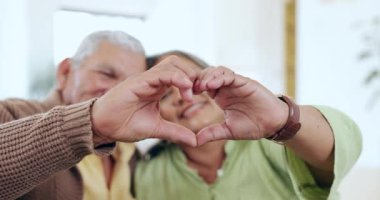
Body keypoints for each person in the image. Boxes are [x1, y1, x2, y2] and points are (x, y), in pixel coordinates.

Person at [134, 50, 362, 200]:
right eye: (164, 96)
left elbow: (337, 152)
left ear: (215, 79)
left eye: (191, 81)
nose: (183, 96)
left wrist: (282, 118)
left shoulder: (272, 144)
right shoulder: (147, 174)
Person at [0, 33, 199, 199]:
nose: (119, 92)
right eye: (107, 74)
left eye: (131, 82)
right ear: (65, 72)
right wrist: (91, 122)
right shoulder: (11, 113)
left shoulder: (130, 151)